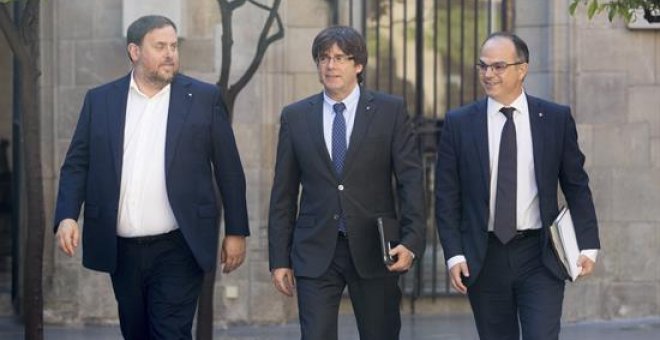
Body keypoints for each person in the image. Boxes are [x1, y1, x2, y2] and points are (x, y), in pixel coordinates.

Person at [53, 15, 249, 340]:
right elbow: (77, 164)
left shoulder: (203, 98)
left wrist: (237, 231)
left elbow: (229, 169)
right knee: (136, 332)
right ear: (134, 51)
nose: (170, 53)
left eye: (173, 46)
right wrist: (67, 216)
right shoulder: (100, 100)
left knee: (169, 331)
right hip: (122, 250)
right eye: (160, 46)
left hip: (180, 245)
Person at [435, 32, 601, 340]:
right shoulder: (460, 123)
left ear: (522, 69)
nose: (488, 74)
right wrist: (455, 254)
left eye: (498, 66)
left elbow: (576, 185)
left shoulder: (554, 118)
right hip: (484, 256)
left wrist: (588, 244)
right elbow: (446, 196)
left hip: (540, 254)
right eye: (482, 66)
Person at [268, 25, 425, 340]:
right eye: (324, 58)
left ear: (358, 65)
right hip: (315, 250)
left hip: (375, 248)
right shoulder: (296, 116)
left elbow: (410, 181)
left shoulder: (389, 111)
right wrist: (279, 259)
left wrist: (410, 241)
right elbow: (283, 194)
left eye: (340, 58)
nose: (330, 65)